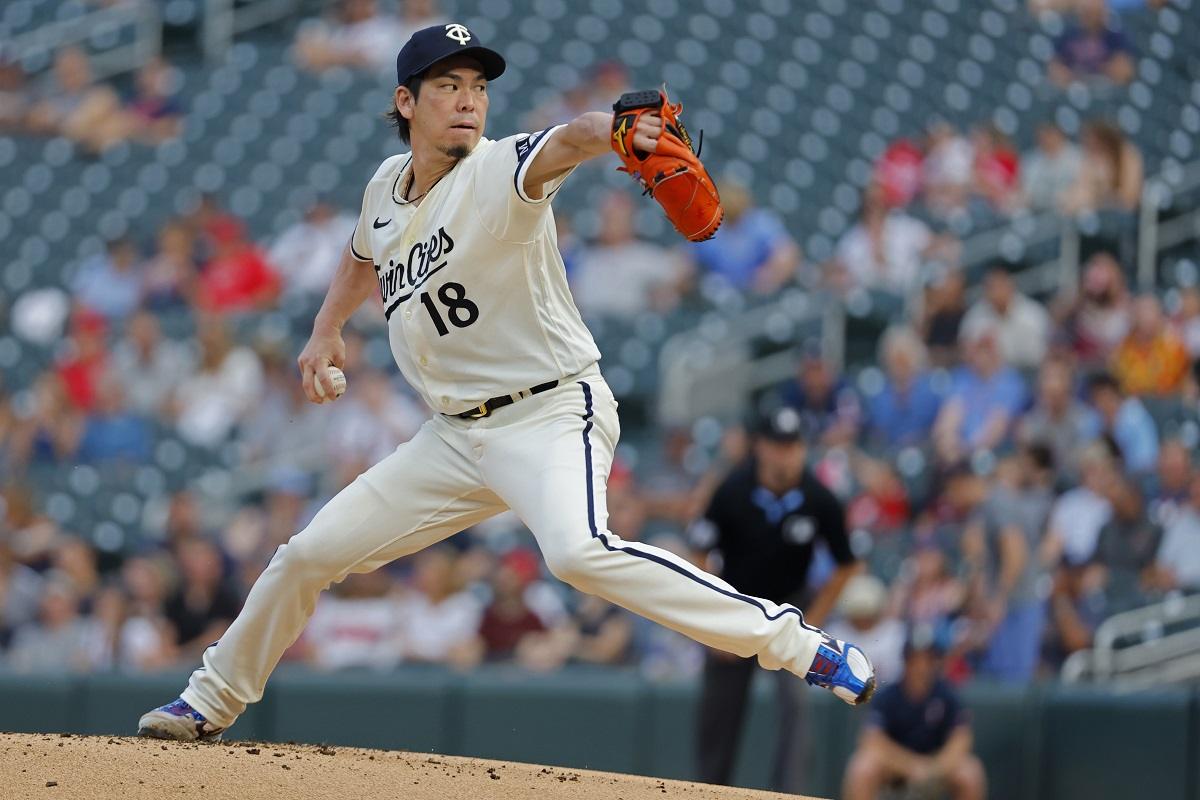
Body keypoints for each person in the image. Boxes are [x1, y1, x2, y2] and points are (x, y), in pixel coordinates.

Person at [137, 23, 876, 742]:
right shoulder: (386, 189)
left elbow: (568, 140)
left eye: (479, 87)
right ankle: (208, 702)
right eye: (448, 85)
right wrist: (325, 329)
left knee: (578, 552)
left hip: (551, 411)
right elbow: (363, 253)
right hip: (455, 438)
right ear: (405, 102)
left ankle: (799, 646)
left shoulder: (495, 171)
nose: (468, 99)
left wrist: (616, 131)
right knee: (307, 554)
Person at [687, 406, 860, 792]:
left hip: (790, 610)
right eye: (777, 444)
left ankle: (789, 793)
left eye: (792, 445)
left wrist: (813, 618)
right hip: (737, 606)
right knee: (719, 712)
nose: (785, 453)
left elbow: (847, 564)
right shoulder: (733, 489)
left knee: (796, 710)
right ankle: (709, 790)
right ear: (760, 447)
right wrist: (714, 619)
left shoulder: (819, 497)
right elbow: (699, 551)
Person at [842, 628, 986, 800]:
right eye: (915, 659)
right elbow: (872, 740)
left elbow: (961, 740)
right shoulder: (888, 696)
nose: (921, 666)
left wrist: (934, 768)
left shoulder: (947, 695)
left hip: (937, 765)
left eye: (928, 659)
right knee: (862, 767)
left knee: (970, 772)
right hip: (895, 766)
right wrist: (911, 766)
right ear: (906, 661)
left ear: (935, 662)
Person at [959, 266, 1050, 369]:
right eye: (991, 288)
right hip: (989, 376)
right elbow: (965, 354)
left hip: (1029, 372)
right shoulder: (974, 318)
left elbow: (1040, 354)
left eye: (1000, 286)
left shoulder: (1032, 314)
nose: (996, 293)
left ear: (1011, 286)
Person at [1111, 294, 1191, 397]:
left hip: (1169, 403)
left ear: (1160, 317)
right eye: (1141, 312)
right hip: (1135, 405)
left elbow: (1182, 383)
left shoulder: (1174, 346)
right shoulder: (1122, 351)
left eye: (1151, 311)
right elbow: (1120, 385)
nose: (1146, 318)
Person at [1048, 0, 1135, 89]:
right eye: (1087, 13)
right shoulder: (1067, 36)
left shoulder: (1116, 38)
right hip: (1074, 89)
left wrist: (1093, 72)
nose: (1091, 18)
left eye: (1095, 13)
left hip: (1106, 89)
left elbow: (1124, 71)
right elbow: (1055, 69)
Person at [1021, 121, 1082, 212]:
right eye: (1043, 135)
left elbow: (1082, 188)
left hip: (1071, 211)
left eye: (1050, 134)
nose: (1047, 139)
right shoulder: (1031, 160)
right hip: (1039, 212)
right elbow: (1026, 194)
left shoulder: (1077, 156)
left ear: (1059, 134)